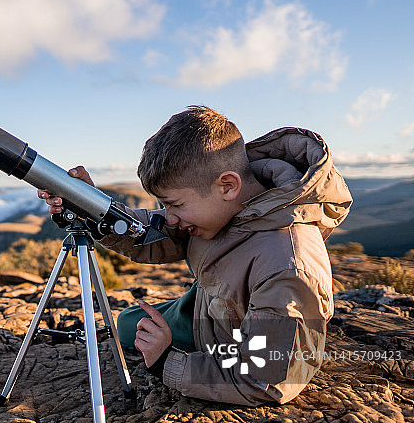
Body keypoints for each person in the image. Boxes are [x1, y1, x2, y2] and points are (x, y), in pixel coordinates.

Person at [38, 106, 352, 405]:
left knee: (138, 334)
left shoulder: (287, 268)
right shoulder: (225, 204)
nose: (170, 216)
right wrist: (94, 209)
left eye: (175, 204)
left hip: (237, 345)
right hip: (210, 311)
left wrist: (167, 362)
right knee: (128, 324)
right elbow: (154, 233)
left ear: (228, 186)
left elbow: (267, 379)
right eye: (165, 205)